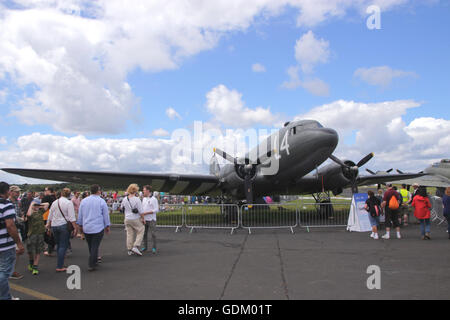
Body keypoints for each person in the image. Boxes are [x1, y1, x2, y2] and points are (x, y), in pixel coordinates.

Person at [77, 185, 110, 271]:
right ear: (98, 191)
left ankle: (94, 260)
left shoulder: (84, 201)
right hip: (98, 227)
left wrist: (80, 224)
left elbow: (80, 214)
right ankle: (91, 263)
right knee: (95, 245)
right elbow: (105, 215)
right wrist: (107, 225)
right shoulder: (101, 201)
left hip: (87, 226)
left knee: (90, 245)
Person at [0, 182, 25, 300]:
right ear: (7, 192)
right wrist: (19, 243)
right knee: (4, 273)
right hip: (5, 245)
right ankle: (5, 297)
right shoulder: (6, 204)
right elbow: (10, 225)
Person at [46, 188, 77, 272]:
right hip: (63, 225)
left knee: (59, 245)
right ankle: (60, 266)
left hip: (54, 225)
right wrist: (75, 228)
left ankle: (61, 263)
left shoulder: (55, 202)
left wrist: (48, 225)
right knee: (63, 246)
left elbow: (50, 215)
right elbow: (71, 217)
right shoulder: (68, 203)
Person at [26, 202, 49, 275]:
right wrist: (31, 204)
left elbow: (47, 204)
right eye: (35, 206)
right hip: (32, 234)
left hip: (40, 234)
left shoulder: (40, 212)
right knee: (30, 251)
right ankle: (31, 263)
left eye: (37, 206)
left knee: (38, 251)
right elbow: (28, 214)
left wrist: (39, 205)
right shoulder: (31, 213)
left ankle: (35, 267)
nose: (36, 207)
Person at [121, 184, 144, 256]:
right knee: (141, 229)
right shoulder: (137, 199)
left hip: (127, 218)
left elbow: (121, 208)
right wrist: (143, 218)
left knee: (129, 234)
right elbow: (141, 211)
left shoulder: (125, 199)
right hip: (135, 218)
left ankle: (129, 249)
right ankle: (136, 246)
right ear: (136, 191)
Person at [8, 185, 24, 280]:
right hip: (11, 228)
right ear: (10, 192)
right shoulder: (7, 202)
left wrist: (22, 215)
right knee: (15, 249)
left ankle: (12, 270)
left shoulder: (18, 202)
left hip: (17, 227)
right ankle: (11, 271)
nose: (18, 193)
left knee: (16, 251)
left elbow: (18, 212)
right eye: (16, 192)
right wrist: (20, 219)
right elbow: (11, 217)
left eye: (18, 192)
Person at [141, 185, 159, 253]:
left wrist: (146, 213)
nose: (143, 191)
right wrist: (142, 216)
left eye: (144, 190)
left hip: (152, 219)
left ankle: (154, 248)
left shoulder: (154, 199)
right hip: (145, 219)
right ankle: (145, 247)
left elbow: (156, 209)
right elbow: (142, 208)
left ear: (148, 191)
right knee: (144, 234)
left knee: (153, 234)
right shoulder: (144, 198)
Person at [42, 187, 57, 256]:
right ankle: (52, 246)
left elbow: (43, 207)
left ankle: (50, 247)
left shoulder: (46, 197)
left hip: (46, 216)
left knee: (45, 233)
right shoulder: (55, 197)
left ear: (49, 191)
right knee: (51, 233)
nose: (44, 192)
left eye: (45, 190)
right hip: (54, 217)